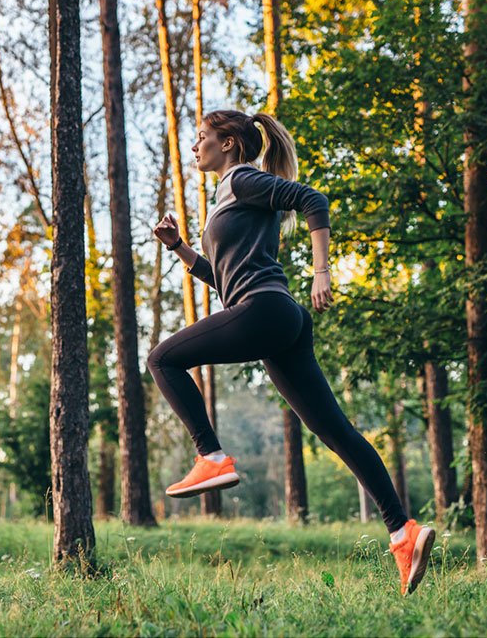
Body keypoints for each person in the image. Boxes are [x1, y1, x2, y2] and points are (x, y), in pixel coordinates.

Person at [149, 110, 435, 596]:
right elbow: (224, 282)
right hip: (277, 317)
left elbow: (312, 199)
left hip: (267, 311)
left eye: (202, 138)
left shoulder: (242, 179)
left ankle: (211, 456)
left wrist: (322, 271)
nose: (194, 147)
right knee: (335, 431)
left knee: (161, 359)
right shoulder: (228, 196)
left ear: (232, 144)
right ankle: (403, 532)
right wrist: (180, 247)